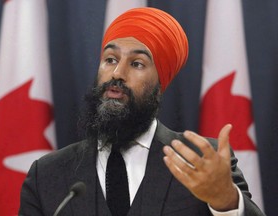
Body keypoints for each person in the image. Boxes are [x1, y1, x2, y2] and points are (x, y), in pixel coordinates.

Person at [19, 7, 264, 216]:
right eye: (110, 60)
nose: (117, 74)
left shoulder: (200, 161)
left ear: (160, 85)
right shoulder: (47, 174)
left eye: (136, 64)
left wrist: (226, 201)